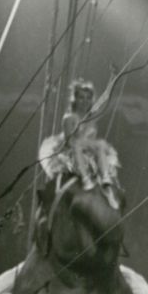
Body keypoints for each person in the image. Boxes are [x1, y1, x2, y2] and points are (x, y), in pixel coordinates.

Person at [38, 78, 120, 208]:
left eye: (88, 98)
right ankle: (85, 180)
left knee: (102, 148)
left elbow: (104, 101)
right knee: (80, 147)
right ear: (75, 99)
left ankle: (107, 186)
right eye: (81, 97)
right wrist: (87, 146)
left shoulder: (91, 115)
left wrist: (113, 80)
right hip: (71, 152)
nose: (85, 101)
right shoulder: (70, 118)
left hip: (87, 150)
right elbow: (71, 141)